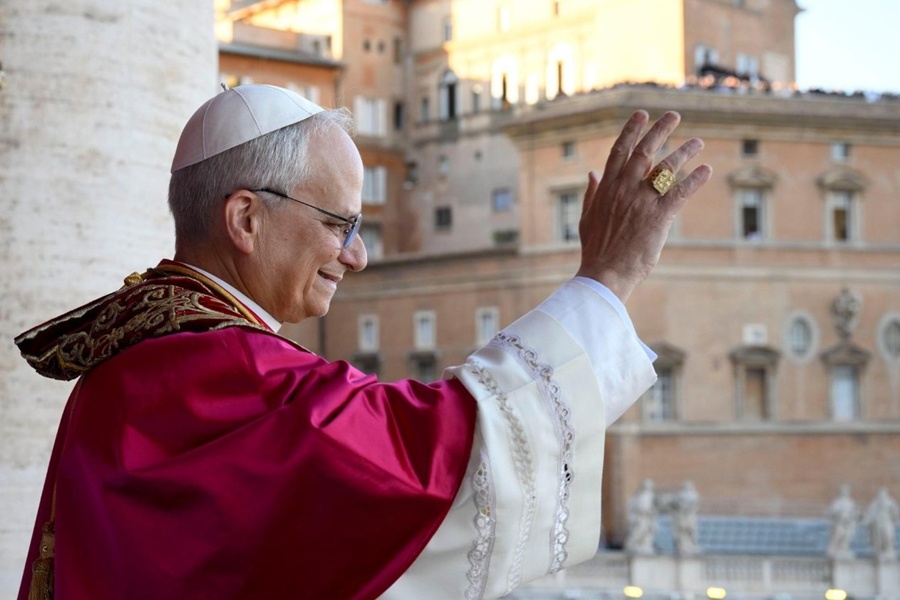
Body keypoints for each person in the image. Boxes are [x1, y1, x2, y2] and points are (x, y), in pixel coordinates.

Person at [14, 84, 711, 599]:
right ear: (246, 218)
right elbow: (440, 455)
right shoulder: (229, 372)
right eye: (338, 224)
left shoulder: (126, 362)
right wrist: (608, 277)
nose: (358, 255)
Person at [624, 478, 658, 556]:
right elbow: (635, 508)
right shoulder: (638, 497)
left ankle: (644, 546)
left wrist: (651, 513)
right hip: (640, 518)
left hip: (647, 519)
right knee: (639, 532)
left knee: (646, 533)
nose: (648, 489)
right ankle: (634, 545)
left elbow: (653, 509)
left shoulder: (651, 496)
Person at [863, 487, 900, 560]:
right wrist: (867, 521)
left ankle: (888, 550)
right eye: (880, 493)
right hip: (878, 523)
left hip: (887, 522)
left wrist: (894, 516)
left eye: (883, 493)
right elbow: (870, 514)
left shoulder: (890, 502)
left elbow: (895, 512)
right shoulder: (875, 503)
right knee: (879, 538)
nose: (881, 495)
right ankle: (880, 551)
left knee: (888, 536)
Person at [825, 484, 859, 560]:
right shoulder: (837, 502)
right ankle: (834, 548)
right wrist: (838, 515)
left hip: (848, 523)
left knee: (847, 536)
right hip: (839, 523)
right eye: (843, 491)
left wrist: (854, 515)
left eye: (846, 491)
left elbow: (854, 512)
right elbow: (830, 512)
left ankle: (843, 549)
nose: (845, 492)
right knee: (838, 534)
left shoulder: (851, 502)